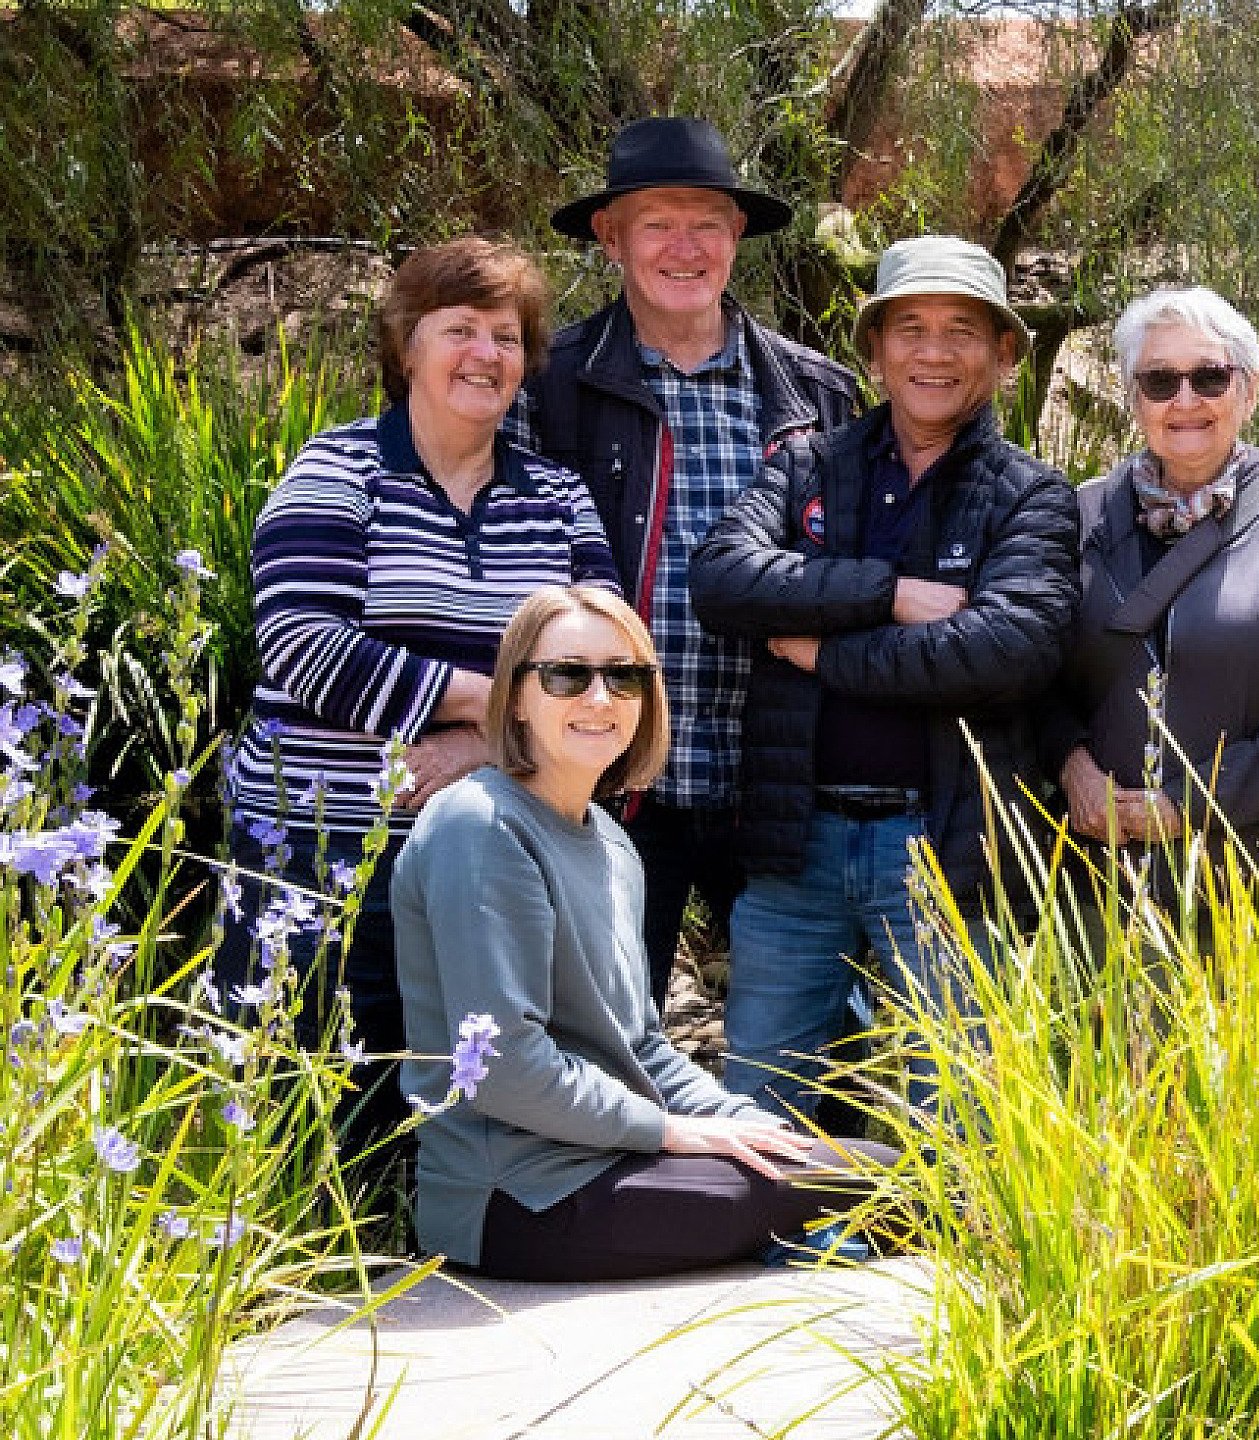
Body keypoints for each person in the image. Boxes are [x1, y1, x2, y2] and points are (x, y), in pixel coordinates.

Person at [219, 238, 619, 1166]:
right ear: (406, 348)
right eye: (460, 330)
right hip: (314, 850)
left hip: (485, 857)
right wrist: (498, 704)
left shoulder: (558, 500)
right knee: (298, 1109)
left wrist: (485, 752)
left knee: (451, 1113)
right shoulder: (339, 471)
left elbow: (604, 672)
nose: (486, 354)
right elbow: (302, 646)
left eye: (507, 336)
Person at [691, 235, 1078, 1124]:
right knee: (761, 1117)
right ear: (872, 350)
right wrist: (890, 593)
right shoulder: (807, 466)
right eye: (909, 329)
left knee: (957, 1131)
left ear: (1004, 354)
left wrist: (820, 649)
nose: (932, 353)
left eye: (961, 332)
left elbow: (1003, 649)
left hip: (943, 852)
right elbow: (721, 578)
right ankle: (774, 1266)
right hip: (798, 844)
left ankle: (927, 1269)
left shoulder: (1032, 496)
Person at [395, 586, 885, 1280]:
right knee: (875, 1183)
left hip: (612, 1161)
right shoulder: (480, 827)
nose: (600, 698)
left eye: (624, 676)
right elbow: (504, 1069)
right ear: (515, 699)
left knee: (849, 1168)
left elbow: (644, 1048)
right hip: (516, 1198)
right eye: (568, 674)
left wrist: (741, 1122)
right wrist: (671, 1133)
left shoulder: (612, 845)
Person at [519, 116, 861, 1008]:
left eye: (707, 222)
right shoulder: (553, 389)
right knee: (598, 1028)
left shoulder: (817, 392)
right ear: (611, 236)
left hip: (775, 772)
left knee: (803, 1044)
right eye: (658, 223)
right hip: (616, 774)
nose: (685, 247)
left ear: (737, 235)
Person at [1042, 287, 1259, 894]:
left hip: (1251, 879)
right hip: (1099, 879)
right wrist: (1072, 767)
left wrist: (1191, 803)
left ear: (1250, 388)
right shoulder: (1082, 515)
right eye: (1159, 382)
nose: (1184, 401)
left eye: (1210, 378)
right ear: (1133, 399)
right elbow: (1040, 676)